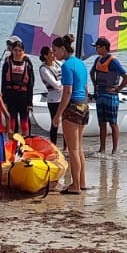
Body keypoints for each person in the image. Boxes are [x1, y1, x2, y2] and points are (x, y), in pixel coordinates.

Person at [52, 36, 89, 195]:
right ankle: (81, 181)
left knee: (73, 149)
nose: (53, 54)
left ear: (62, 49)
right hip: (84, 105)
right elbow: (86, 89)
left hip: (72, 106)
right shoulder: (81, 64)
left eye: (54, 51)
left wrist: (58, 114)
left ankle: (75, 186)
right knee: (79, 148)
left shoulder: (66, 66)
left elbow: (67, 92)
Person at [90, 36, 127, 153]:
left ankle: (114, 150)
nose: (96, 50)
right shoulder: (98, 60)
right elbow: (92, 73)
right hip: (100, 95)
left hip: (111, 96)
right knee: (101, 123)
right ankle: (102, 149)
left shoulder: (113, 61)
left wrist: (117, 89)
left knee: (113, 123)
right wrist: (95, 85)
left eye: (97, 47)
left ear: (103, 47)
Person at [0, 36, 35, 137]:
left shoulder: (27, 64)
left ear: (23, 51)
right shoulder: (7, 64)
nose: (17, 53)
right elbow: (3, 84)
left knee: (24, 122)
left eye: (20, 50)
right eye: (15, 50)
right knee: (12, 121)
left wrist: (30, 102)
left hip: (23, 97)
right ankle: (12, 143)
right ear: (12, 50)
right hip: (11, 96)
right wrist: (4, 101)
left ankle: (26, 143)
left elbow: (30, 85)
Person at [38, 44, 63, 144]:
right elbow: (55, 84)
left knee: (65, 122)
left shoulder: (58, 63)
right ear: (45, 55)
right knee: (55, 122)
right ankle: (53, 145)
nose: (54, 54)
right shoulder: (44, 69)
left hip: (63, 96)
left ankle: (66, 147)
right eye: (51, 53)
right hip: (53, 99)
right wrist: (66, 83)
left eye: (54, 52)